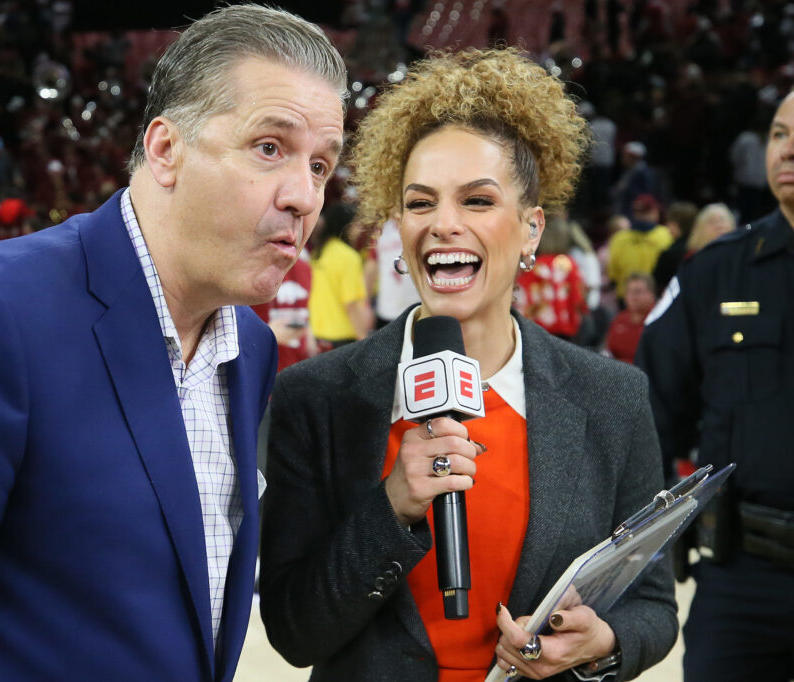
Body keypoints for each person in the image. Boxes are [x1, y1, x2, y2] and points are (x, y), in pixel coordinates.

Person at [0, 5, 346, 681]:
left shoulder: (249, 350)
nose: (303, 196)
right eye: (269, 148)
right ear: (167, 149)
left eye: (320, 165)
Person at [260, 48, 677, 682]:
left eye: (477, 201)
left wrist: (606, 641)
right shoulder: (314, 397)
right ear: (397, 227)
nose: (443, 225)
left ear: (531, 229)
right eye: (420, 204)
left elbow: (653, 606)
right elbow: (293, 632)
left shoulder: (611, 397)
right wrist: (393, 506)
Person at [636, 89, 794, 681]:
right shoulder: (715, 272)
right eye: (778, 134)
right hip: (742, 578)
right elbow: (649, 410)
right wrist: (649, 539)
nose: (788, 150)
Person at [308, 201, 375, 349]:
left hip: (319, 336)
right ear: (346, 226)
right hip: (343, 339)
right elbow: (351, 304)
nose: (359, 229)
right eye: (356, 224)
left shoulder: (319, 252)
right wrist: (364, 341)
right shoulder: (348, 257)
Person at [604, 272, 656, 364]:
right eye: (629, 292)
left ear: (651, 294)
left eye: (637, 292)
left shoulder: (658, 320)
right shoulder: (620, 319)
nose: (633, 297)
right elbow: (609, 351)